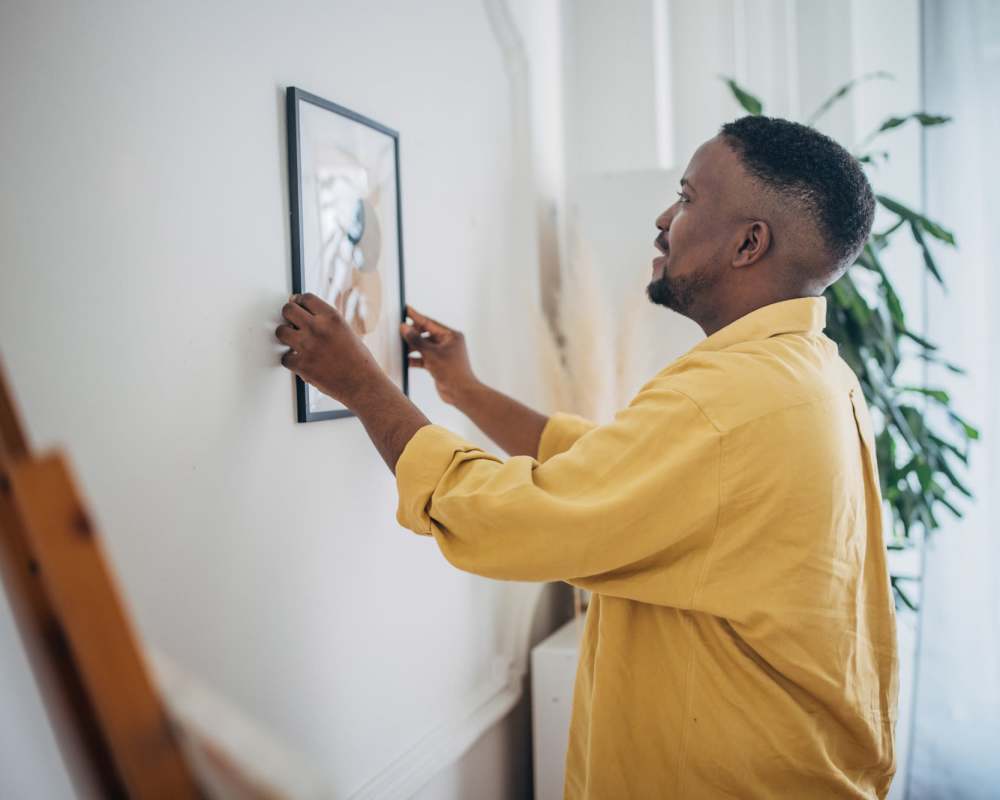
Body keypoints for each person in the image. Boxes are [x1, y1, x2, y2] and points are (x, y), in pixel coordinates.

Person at [275, 115, 898, 799]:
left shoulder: (730, 399)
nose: (664, 218)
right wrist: (468, 392)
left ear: (750, 243)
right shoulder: (808, 370)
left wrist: (364, 386)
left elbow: (505, 522)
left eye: (688, 199)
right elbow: (616, 469)